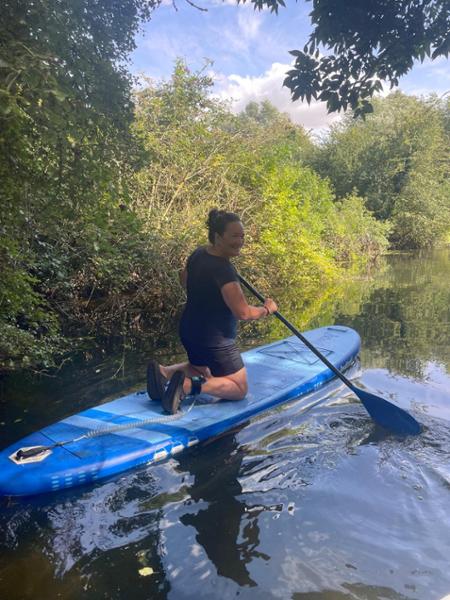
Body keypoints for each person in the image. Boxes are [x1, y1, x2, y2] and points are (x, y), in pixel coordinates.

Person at [147, 208, 278, 414]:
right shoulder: (223, 270)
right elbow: (242, 313)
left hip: (190, 331)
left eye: (242, 236)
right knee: (239, 388)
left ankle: (163, 373)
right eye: (234, 236)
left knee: (200, 368)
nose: (240, 241)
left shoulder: (199, 254)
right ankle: (186, 387)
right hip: (216, 341)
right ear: (218, 237)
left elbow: (184, 280)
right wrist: (266, 309)